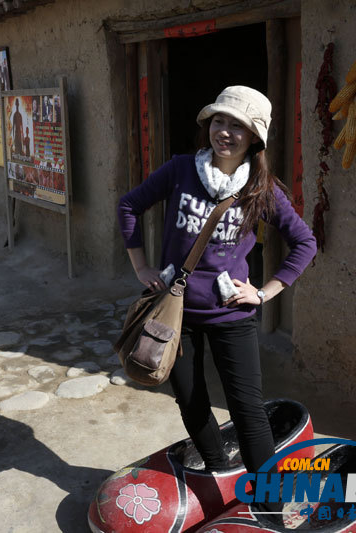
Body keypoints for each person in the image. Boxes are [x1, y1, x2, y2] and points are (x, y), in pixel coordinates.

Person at [117, 86, 316, 515]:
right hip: (176, 311)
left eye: (237, 126)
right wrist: (142, 269)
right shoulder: (179, 170)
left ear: (254, 138)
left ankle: (269, 504)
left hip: (232, 314)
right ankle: (218, 471)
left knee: (247, 409)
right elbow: (129, 206)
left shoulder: (261, 189)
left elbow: (304, 242)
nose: (225, 132)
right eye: (219, 121)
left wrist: (263, 292)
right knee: (190, 399)